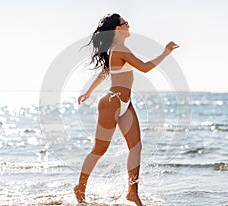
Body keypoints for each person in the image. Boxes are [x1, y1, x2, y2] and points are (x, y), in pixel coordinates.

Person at [74, 13, 179, 205]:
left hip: (125, 102)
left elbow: (106, 72)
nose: (129, 25)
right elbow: (145, 67)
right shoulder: (119, 48)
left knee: (136, 147)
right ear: (118, 29)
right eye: (125, 23)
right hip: (111, 102)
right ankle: (80, 187)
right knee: (99, 149)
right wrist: (166, 52)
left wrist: (88, 92)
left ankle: (132, 191)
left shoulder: (117, 49)